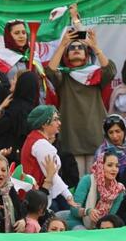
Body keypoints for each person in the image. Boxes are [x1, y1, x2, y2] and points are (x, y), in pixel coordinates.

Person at [45, 28, 116, 174]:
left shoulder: (95, 74)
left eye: (80, 47)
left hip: (94, 133)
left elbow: (110, 71)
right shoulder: (63, 75)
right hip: (71, 135)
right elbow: (50, 71)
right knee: (77, 181)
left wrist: (95, 47)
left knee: (95, 180)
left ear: (86, 53)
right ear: (66, 54)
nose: (76, 49)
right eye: (72, 48)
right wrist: (62, 44)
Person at [20, 106, 77, 209]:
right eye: (55, 120)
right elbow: (51, 174)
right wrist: (68, 196)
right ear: (44, 124)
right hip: (37, 201)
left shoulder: (35, 139)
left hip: (34, 196)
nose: (59, 123)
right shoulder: (41, 144)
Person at [67, 151, 125, 230]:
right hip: (77, 221)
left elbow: (110, 218)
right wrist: (88, 212)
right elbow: (74, 209)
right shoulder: (87, 180)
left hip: (101, 227)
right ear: (100, 166)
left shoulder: (118, 190)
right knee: (84, 234)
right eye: (110, 165)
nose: (114, 169)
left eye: (117, 166)